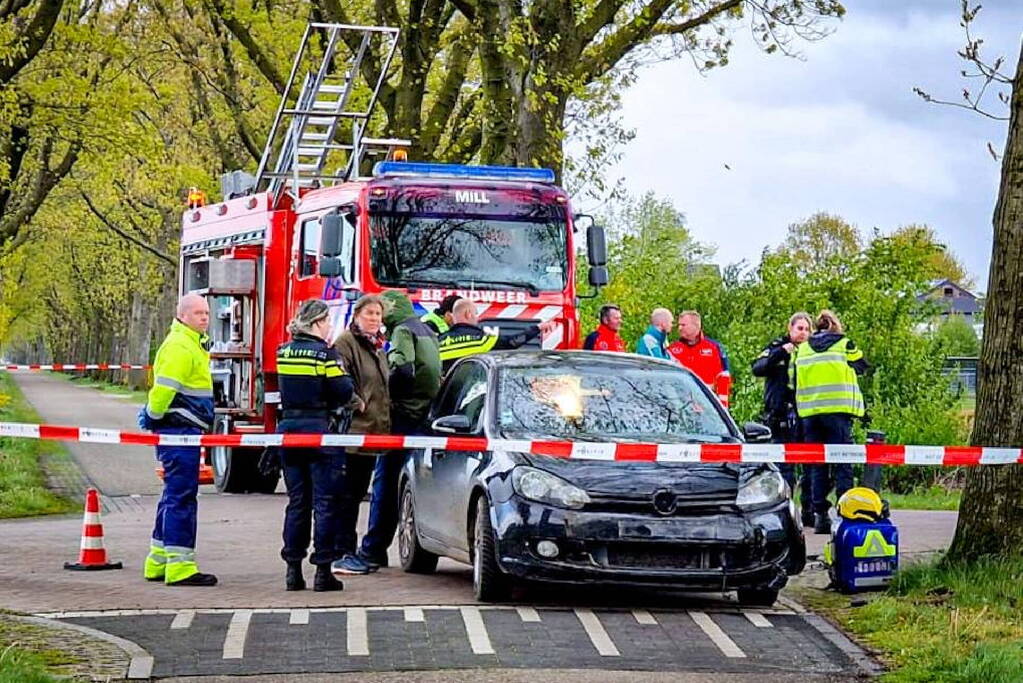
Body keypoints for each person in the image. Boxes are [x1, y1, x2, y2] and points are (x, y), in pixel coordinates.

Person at [357, 291, 441, 569]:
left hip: (403, 415)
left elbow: (403, 369)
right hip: (423, 415)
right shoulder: (427, 329)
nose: (379, 316)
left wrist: (387, 396)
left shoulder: (403, 331)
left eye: (381, 310)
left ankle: (372, 550)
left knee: (386, 481)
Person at [138, 293, 217, 587]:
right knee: (182, 498)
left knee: (173, 495)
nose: (205, 318)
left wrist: (154, 416)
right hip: (179, 433)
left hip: (181, 431)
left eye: (207, 313)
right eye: (198, 313)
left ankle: (158, 561)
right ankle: (180, 567)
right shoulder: (181, 347)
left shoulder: (188, 344)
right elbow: (162, 392)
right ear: (183, 315)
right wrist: (153, 415)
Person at [276, 300, 355, 592]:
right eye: (328, 322)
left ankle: (292, 571)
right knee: (325, 503)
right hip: (321, 431)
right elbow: (344, 391)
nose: (330, 327)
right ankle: (323, 571)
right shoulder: (325, 354)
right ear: (318, 323)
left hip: (289, 432)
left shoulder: (283, 352)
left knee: (297, 502)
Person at [792, 309, 869, 534]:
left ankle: (820, 516)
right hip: (838, 412)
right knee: (843, 462)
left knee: (817, 465)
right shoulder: (844, 344)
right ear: (836, 325)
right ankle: (846, 512)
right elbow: (862, 365)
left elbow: (796, 379)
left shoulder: (803, 349)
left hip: (810, 414)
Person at [333, 294, 391, 575]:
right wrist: (357, 402)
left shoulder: (378, 347)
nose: (374, 318)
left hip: (373, 435)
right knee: (346, 497)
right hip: (353, 435)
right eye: (369, 313)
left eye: (378, 314)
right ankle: (341, 552)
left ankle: (350, 551)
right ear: (356, 315)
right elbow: (338, 379)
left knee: (356, 495)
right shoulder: (346, 343)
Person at [752, 311, 813, 526]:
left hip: (805, 414)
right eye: (799, 328)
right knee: (784, 466)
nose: (803, 333)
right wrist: (779, 353)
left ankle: (809, 513)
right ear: (790, 329)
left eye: (806, 329)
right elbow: (757, 368)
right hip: (779, 414)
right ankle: (785, 513)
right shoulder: (778, 346)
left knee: (809, 466)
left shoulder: (813, 351)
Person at [437, 298, 555, 372]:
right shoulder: (483, 340)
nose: (477, 318)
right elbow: (513, 342)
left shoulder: (439, 341)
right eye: (476, 314)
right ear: (468, 314)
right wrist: (537, 328)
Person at [667, 310, 730, 387]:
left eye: (683, 325)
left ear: (695, 326)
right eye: (679, 325)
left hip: (706, 396)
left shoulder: (714, 348)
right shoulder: (672, 349)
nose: (679, 328)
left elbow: (724, 376)